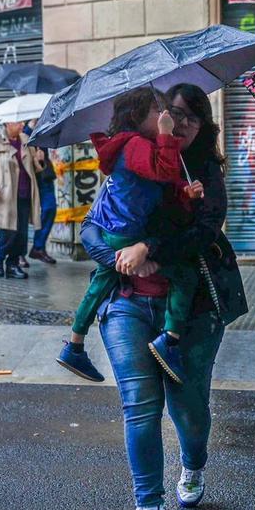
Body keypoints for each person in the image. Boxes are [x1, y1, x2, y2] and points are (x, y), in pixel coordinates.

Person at [80, 83, 247, 510]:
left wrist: (148, 247)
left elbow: (203, 232)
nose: (182, 123)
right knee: (139, 402)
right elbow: (92, 225)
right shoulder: (134, 158)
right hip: (129, 301)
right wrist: (117, 258)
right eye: (174, 113)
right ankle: (148, 509)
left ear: (205, 123)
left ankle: (193, 464)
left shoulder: (206, 172)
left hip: (190, 305)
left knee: (188, 408)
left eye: (193, 117)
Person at [56, 88, 205, 385]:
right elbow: (163, 170)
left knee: (101, 283)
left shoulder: (135, 144)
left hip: (117, 229)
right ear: (137, 117)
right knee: (184, 275)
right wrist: (166, 134)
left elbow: (158, 185)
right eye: (157, 111)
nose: (165, 116)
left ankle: (74, 344)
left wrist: (184, 194)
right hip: (125, 232)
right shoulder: (136, 144)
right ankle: (170, 340)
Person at [0, 120, 42, 279]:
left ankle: (12, 264)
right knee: (8, 233)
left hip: (25, 193)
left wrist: (40, 160)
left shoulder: (26, 140)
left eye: (22, 122)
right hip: (5, 196)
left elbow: (35, 168)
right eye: (18, 123)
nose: (22, 125)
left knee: (21, 233)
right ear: (7, 123)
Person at [29, 139, 58, 265]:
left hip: (44, 174)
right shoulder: (24, 130)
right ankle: (17, 255)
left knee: (50, 208)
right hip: (28, 176)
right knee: (22, 215)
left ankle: (38, 247)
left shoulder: (43, 126)